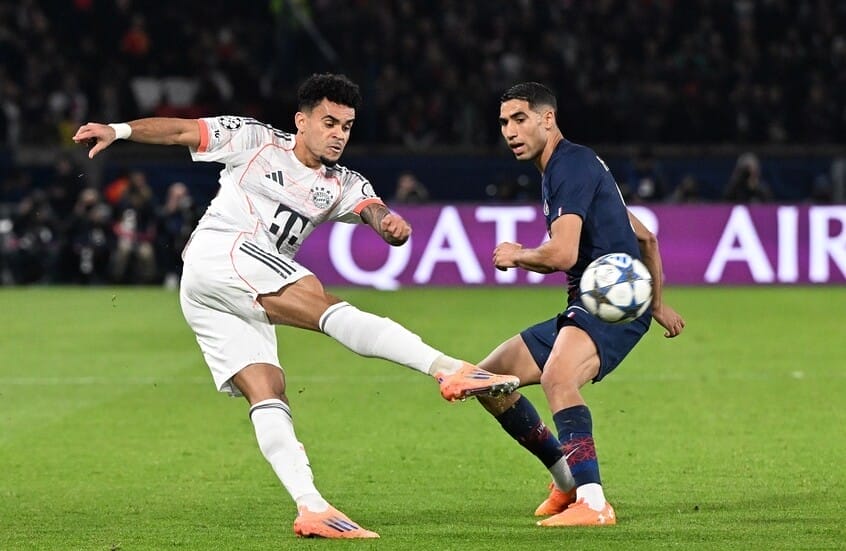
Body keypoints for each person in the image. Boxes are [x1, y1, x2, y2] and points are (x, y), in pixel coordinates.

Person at [72, 73, 518, 539]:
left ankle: (312, 508)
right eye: (329, 123)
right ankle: (448, 369)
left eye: (347, 126)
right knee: (322, 302)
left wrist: (388, 223)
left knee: (268, 389)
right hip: (224, 249)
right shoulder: (255, 140)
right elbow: (182, 130)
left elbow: (371, 208)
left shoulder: (342, 182)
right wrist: (118, 130)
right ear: (301, 121)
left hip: (216, 291)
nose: (339, 134)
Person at [476, 82, 686, 527]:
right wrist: (657, 305)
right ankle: (567, 479)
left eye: (519, 119)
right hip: (601, 300)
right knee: (488, 381)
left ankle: (594, 503)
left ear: (547, 119)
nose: (510, 131)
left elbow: (563, 254)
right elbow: (647, 238)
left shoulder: (568, 167)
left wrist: (518, 254)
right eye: (504, 122)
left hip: (610, 303)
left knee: (558, 378)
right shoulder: (575, 165)